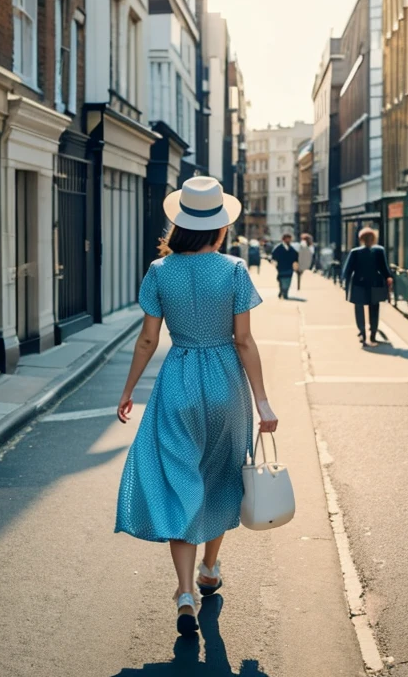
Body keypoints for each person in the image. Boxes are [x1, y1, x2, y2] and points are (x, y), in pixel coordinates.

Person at [114, 176, 278, 637]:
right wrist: (263, 402)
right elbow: (243, 340)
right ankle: (210, 569)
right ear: (220, 227)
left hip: (177, 383)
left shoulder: (158, 272)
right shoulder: (233, 271)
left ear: (181, 223)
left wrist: (128, 391)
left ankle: (185, 592)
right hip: (226, 383)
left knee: (180, 480)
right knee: (220, 478)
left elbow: (148, 339)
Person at [342, 227, 393, 347]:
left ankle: (362, 333)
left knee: (359, 309)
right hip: (374, 283)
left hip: (358, 283)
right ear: (373, 238)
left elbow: (347, 270)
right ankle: (373, 335)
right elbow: (384, 269)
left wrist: (344, 283)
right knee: (374, 309)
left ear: (361, 239)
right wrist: (388, 279)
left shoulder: (355, 252)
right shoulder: (379, 251)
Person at [271, 233, 298, 299]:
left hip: (289, 267)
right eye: (287, 239)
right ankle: (282, 291)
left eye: (289, 239)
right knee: (281, 280)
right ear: (284, 239)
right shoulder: (279, 247)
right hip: (281, 267)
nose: (288, 240)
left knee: (288, 280)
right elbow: (273, 256)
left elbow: (296, 256)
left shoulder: (291, 248)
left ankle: (285, 292)